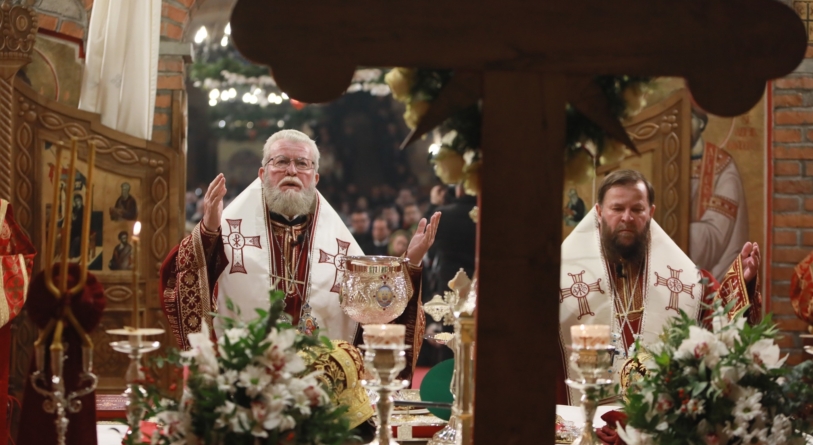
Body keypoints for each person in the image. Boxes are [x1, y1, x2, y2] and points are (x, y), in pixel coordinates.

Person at [159, 129, 440, 377]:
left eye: (301, 164)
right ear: (262, 173)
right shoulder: (228, 230)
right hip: (245, 377)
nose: (291, 171)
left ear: (314, 177)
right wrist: (208, 230)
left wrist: (410, 264)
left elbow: (377, 312)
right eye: (280, 162)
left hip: (320, 383)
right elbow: (181, 277)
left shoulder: (340, 243)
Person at [558, 170, 761, 405]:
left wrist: (742, 283)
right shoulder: (561, 280)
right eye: (617, 208)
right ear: (599, 212)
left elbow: (717, 323)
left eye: (637, 209)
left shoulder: (686, 282)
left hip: (657, 424)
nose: (627, 217)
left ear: (651, 213)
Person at [688, 107, 748, 282]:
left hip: (714, 279)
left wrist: (666, 235)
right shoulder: (667, 163)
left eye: (688, 118)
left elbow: (716, 235)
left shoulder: (724, 168)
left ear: (700, 123)